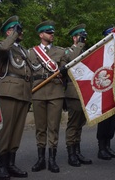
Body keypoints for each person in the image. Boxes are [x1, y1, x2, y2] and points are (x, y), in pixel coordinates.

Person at [29, 21, 68, 173]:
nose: (52, 35)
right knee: (40, 128)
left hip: (56, 92)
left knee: (53, 127)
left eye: (52, 33)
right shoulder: (31, 52)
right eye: (48, 33)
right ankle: (41, 159)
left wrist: (64, 70)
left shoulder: (60, 51)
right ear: (41, 35)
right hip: (37, 92)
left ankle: (52, 159)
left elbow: (66, 69)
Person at [0, 16, 31, 180]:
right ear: (10, 31)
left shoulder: (23, 50)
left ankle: (11, 163)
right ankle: (2, 165)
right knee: (7, 130)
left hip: (23, 93)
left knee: (16, 131)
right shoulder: (3, 45)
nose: (21, 32)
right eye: (17, 29)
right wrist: (13, 35)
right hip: (9, 92)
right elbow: (3, 49)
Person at [64, 24, 92, 166]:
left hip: (84, 92)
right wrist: (79, 44)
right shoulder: (68, 51)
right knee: (73, 124)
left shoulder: (85, 51)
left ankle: (77, 151)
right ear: (74, 38)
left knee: (80, 124)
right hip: (73, 92)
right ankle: (71, 154)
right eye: (80, 37)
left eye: (84, 37)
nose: (83, 40)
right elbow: (72, 61)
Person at [96, 26, 115, 160]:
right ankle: (101, 148)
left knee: (113, 120)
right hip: (104, 92)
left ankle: (108, 145)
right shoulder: (101, 52)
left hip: (114, 90)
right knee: (105, 121)